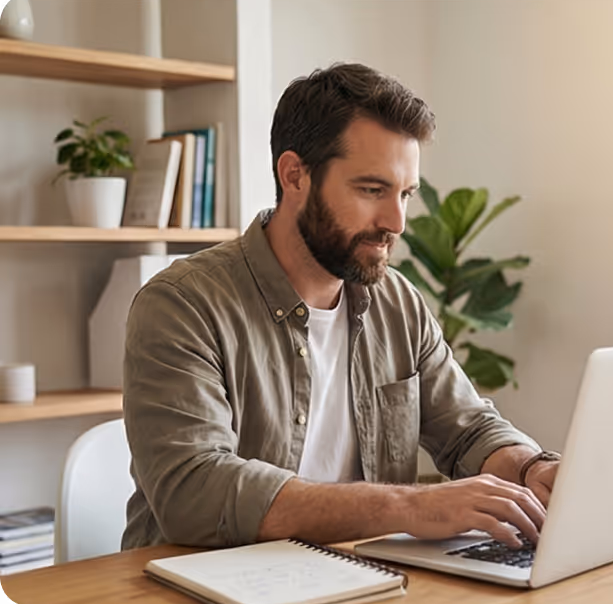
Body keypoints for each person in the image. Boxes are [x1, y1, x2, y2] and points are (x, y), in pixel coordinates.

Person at [121, 62, 560, 553]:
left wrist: (531, 468)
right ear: (295, 176)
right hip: (204, 584)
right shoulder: (183, 305)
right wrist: (410, 507)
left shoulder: (397, 302)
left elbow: (469, 429)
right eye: (372, 190)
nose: (396, 221)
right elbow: (196, 492)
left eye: (405, 194)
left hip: (361, 578)